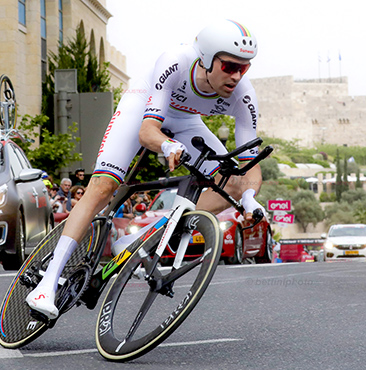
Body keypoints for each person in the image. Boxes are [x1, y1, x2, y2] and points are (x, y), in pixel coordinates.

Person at [26, 19, 265, 319]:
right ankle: (47, 283)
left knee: (232, 182)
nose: (237, 76)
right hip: (143, 106)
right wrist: (166, 146)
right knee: (103, 187)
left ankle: (145, 237)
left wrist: (249, 197)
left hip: (187, 121)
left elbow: (251, 166)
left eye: (244, 68)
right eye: (230, 67)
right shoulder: (175, 62)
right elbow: (147, 131)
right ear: (206, 58)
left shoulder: (243, 96)